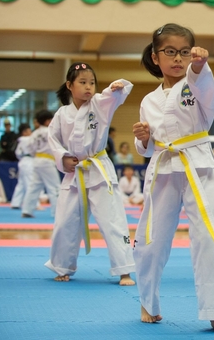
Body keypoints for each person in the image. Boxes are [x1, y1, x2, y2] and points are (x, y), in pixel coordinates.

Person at [132, 24, 214, 334]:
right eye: (170, 52)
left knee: (208, 236)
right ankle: (148, 301)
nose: (178, 58)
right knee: (151, 239)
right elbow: (147, 148)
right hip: (163, 168)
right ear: (155, 57)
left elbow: (203, 84)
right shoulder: (149, 100)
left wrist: (199, 65)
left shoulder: (196, 84)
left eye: (184, 52)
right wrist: (143, 139)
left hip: (198, 167)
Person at [45, 62, 135, 287]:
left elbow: (115, 95)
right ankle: (62, 266)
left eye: (92, 83)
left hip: (99, 170)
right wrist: (63, 157)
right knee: (65, 221)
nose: (88, 87)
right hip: (74, 172)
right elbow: (52, 139)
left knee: (112, 220)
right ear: (69, 85)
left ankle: (124, 269)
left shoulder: (99, 104)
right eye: (83, 82)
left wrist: (117, 87)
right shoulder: (62, 114)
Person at [20, 110, 60, 218]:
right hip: (47, 161)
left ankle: (27, 210)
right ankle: (57, 213)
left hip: (37, 160)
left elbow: (29, 148)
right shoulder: (51, 131)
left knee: (34, 186)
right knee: (55, 187)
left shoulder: (35, 133)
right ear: (47, 121)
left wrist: (37, 155)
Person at [10, 123, 33, 209]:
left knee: (21, 183)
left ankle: (15, 203)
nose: (31, 132)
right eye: (29, 131)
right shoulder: (28, 139)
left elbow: (17, 154)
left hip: (22, 161)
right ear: (24, 132)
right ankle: (33, 204)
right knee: (29, 182)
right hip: (29, 161)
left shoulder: (20, 141)